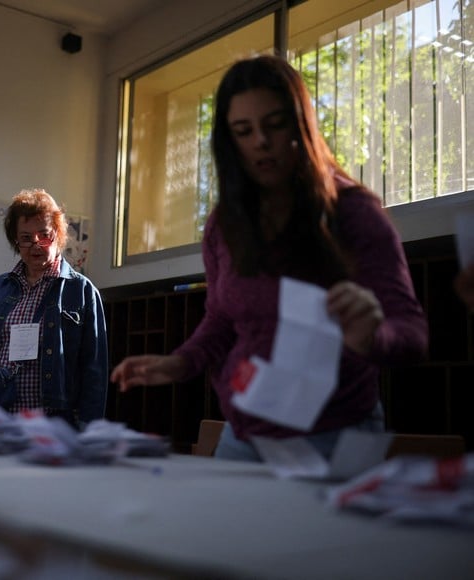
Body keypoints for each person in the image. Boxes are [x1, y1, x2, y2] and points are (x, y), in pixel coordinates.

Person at [110, 55, 428, 462]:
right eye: (243, 130)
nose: (260, 141)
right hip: (246, 432)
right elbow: (223, 319)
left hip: (335, 435)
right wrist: (179, 363)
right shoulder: (225, 225)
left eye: (274, 125)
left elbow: (413, 336)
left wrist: (373, 336)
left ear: (300, 124)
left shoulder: (353, 212)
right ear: (230, 142)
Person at [0, 188, 107, 429]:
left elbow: (94, 368)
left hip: (52, 424)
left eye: (44, 235)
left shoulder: (83, 292)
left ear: (58, 234)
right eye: (26, 238)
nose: (35, 245)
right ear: (16, 241)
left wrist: (89, 427)